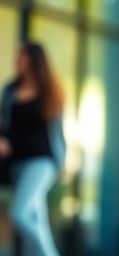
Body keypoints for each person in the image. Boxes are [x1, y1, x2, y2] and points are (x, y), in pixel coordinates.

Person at [0, 42, 66, 256]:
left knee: (19, 214)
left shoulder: (49, 92)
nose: (17, 59)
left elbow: (57, 133)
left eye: (22, 55)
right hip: (16, 163)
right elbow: (4, 124)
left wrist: (61, 161)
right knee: (37, 220)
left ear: (34, 60)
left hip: (41, 163)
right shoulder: (10, 91)